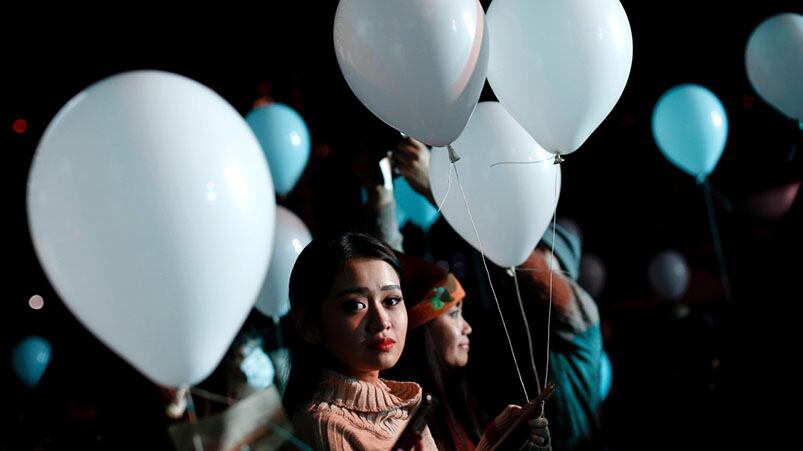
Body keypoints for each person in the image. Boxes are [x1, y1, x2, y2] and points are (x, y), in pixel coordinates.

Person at [283, 232, 438, 450]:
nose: (381, 321)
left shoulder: (404, 408)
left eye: (391, 300)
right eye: (355, 305)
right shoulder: (325, 425)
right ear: (307, 325)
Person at [388, 253, 551, 451]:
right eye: (454, 314)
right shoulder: (399, 420)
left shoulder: (458, 401)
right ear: (422, 328)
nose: (467, 327)